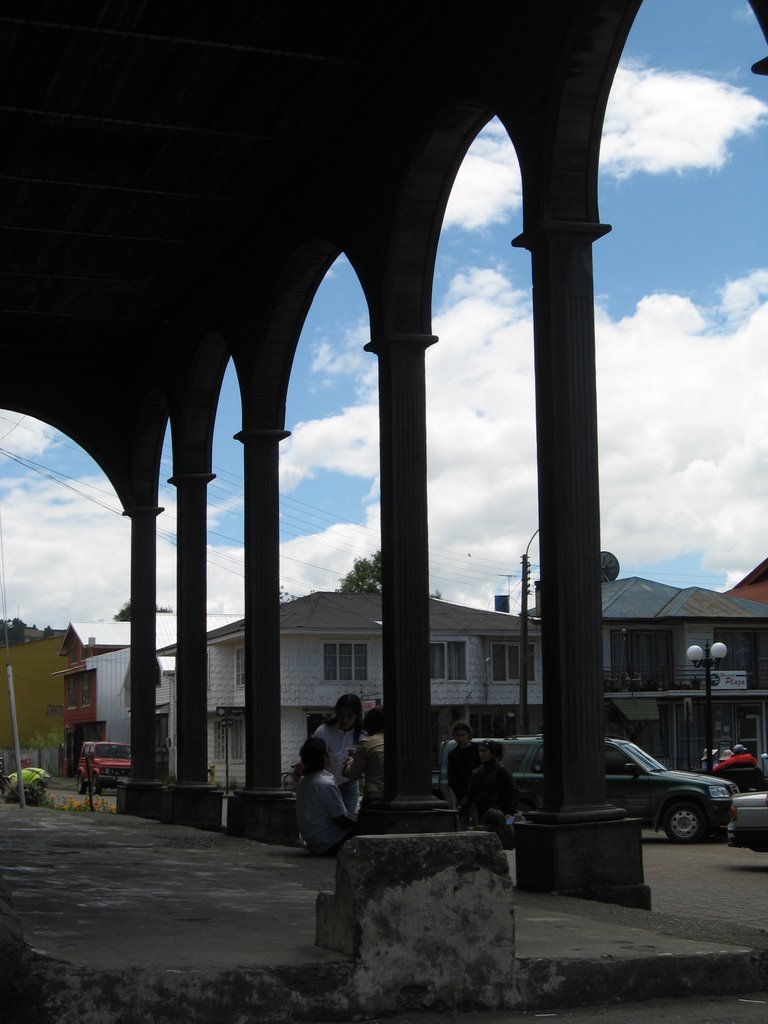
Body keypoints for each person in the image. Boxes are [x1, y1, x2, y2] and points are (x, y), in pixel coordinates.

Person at [294, 736, 357, 855]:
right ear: (324, 758)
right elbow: (341, 820)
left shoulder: (303, 781)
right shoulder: (325, 784)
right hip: (329, 842)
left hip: (313, 841)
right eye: (328, 751)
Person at [312, 693, 367, 815]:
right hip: (324, 785)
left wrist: (358, 758)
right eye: (341, 715)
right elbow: (311, 754)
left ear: (357, 716)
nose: (344, 720)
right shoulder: (324, 731)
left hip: (348, 785)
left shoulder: (363, 735)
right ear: (336, 713)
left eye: (349, 716)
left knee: (347, 821)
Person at [457, 740, 519, 822]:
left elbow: (513, 792)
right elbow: (469, 794)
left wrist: (510, 813)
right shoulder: (477, 772)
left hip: (504, 813)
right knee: (486, 832)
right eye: (480, 751)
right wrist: (460, 810)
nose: (481, 754)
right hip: (484, 814)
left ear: (492, 753)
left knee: (507, 832)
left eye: (484, 751)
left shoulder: (502, 770)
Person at [342, 705, 384, 805]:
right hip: (400, 797)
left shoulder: (366, 743)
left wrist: (350, 760)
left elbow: (353, 774)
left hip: (375, 797)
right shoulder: (401, 742)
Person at [447, 720, 481, 830]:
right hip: (461, 797)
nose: (460, 739)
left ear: (468, 735)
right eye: (457, 736)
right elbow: (451, 778)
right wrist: (462, 794)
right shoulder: (453, 754)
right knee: (460, 827)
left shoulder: (478, 750)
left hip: (476, 797)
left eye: (463, 735)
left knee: (479, 827)